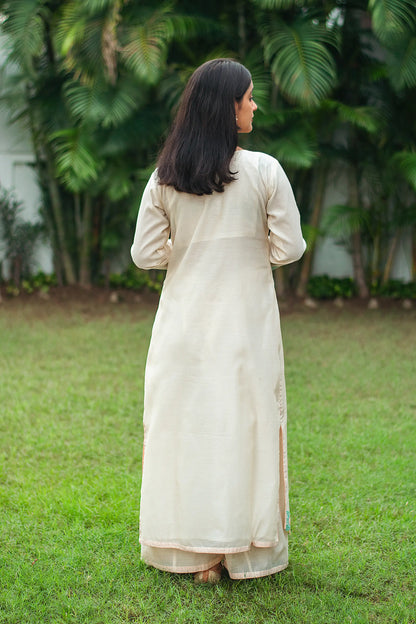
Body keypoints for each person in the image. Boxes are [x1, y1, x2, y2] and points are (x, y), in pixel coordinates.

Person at [131, 58, 306, 583]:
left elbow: (145, 254)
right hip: (246, 326)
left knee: (187, 430)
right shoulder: (264, 170)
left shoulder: (166, 176)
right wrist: (251, 253)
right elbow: (290, 247)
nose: (255, 105)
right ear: (228, 106)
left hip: (182, 324)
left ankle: (194, 556)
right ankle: (241, 552)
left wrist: (189, 254)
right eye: (249, 97)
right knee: (243, 428)